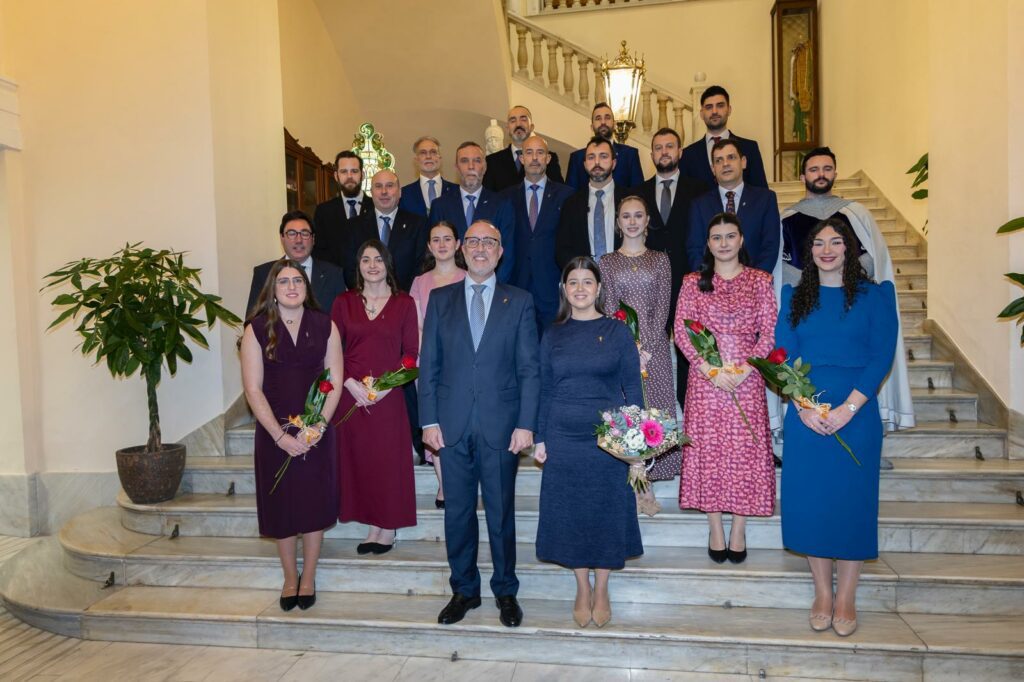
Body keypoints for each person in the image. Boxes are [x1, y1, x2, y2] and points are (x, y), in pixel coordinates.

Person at [775, 217, 899, 637]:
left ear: (849, 249)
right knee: (811, 502)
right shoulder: (794, 297)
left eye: (835, 242)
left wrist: (848, 409)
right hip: (806, 412)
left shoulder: (876, 296)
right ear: (809, 253)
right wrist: (803, 406)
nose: (826, 250)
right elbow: (783, 354)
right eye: (818, 244)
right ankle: (822, 594)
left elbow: (881, 356)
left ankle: (846, 595)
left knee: (851, 504)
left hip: (856, 411)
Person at [419, 220, 540, 628]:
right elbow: (429, 365)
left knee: (501, 513)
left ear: (500, 252)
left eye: (490, 242)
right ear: (462, 249)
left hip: (501, 426)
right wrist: (428, 421)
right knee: (457, 513)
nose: (481, 248)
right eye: (473, 241)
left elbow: (529, 368)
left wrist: (525, 424)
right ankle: (464, 590)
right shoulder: (440, 300)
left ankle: (505, 590)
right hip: (450, 425)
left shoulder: (519, 301)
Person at [534, 256, 644, 628]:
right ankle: (582, 585)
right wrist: (540, 437)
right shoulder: (553, 334)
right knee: (570, 512)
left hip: (608, 440)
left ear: (598, 289)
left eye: (587, 282)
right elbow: (545, 389)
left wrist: (635, 443)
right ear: (564, 289)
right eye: (573, 282)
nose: (580, 289)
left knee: (606, 510)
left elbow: (634, 390)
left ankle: (603, 587)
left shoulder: (617, 332)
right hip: (563, 437)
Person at [780, 146, 914, 433]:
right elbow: (783, 266)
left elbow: (872, 258)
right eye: (814, 169)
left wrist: (840, 276)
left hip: (850, 301)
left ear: (835, 173)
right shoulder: (788, 218)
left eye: (827, 168)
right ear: (803, 176)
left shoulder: (855, 214)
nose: (820, 174)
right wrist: (814, 281)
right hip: (808, 304)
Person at [240, 259, 343, 611]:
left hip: (316, 430)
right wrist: (279, 436)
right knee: (281, 506)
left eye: (297, 280)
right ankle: (289, 577)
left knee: (314, 504)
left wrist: (319, 426)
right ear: (273, 289)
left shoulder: (325, 324)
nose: (291, 287)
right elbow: (253, 389)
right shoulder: (256, 329)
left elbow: (335, 380)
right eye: (283, 282)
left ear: (306, 286)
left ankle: (309, 576)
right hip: (275, 432)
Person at [674, 213, 777, 565]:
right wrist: (709, 369)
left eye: (730, 236)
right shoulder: (693, 282)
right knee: (709, 451)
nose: (723, 243)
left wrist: (746, 369)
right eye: (716, 237)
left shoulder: (760, 280)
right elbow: (681, 331)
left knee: (744, 452)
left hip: (748, 378)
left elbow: (769, 332)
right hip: (706, 380)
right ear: (708, 243)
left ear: (741, 239)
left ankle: (739, 529)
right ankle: (715, 527)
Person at [331, 240, 418, 555]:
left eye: (378, 259)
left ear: (388, 264)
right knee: (361, 462)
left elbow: (411, 355)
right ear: (358, 266)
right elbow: (332, 350)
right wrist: (348, 383)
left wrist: (385, 387)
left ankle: (387, 525)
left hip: (387, 397)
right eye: (365, 260)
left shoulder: (404, 303)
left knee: (386, 462)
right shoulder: (343, 302)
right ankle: (372, 526)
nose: (372, 265)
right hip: (351, 396)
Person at [599, 195, 675, 516]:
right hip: (620, 349)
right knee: (626, 413)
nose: (632, 221)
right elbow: (608, 308)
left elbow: (663, 307)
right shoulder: (606, 262)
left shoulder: (660, 260)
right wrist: (629, 349)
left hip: (655, 351)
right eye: (626, 216)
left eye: (638, 215)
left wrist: (647, 348)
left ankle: (648, 483)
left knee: (652, 414)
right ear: (618, 222)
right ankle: (631, 480)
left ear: (647, 221)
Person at [636, 128, 705, 410]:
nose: (664, 152)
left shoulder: (699, 190)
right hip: (648, 286)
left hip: (688, 281)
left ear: (680, 152)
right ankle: (655, 409)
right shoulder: (638, 191)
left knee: (690, 347)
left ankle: (689, 408)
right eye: (658, 147)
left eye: (669, 146)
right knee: (650, 347)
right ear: (652, 154)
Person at [409, 221, 468, 508]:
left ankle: (462, 480)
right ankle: (445, 486)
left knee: (461, 423)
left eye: (447, 239)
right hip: (429, 362)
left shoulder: (469, 277)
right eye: (436, 239)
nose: (442, 244)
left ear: (458, 244)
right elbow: (415, 324)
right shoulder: (420, 282)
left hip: (464, 363)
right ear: (429, 246)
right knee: (435, 424)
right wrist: (432, 354)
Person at [502, 135, 574, 333]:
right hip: (517, 286)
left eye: (540, 153)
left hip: (553, 288)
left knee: (553, 346)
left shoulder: (567, 196)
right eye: (529, 152)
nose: (534, 158)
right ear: (521, 158)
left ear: (548, 159)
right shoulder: (506, 197)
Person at [687, 138, 781, 276]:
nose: (725, 164)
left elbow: (770, 247)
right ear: (713, 169)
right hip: (711, 285)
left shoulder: (765, 199)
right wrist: (711, 282)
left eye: (731, 157)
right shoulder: (699, 205)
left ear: (743, 162)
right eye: (718, 160)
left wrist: (753, 282)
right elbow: (695, 250)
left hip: (754, 284)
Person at [428, 141, 516, 282]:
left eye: (477, 161)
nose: (471, 166)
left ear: (484, 167)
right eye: (464, 161)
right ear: (457, 168)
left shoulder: (502, 204)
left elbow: (508, 253)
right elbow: (435, 253)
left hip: (491, 285)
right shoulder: (440, 206)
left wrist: (495, 286)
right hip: (450, 288)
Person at [246, 210, 346, 316]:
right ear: (282, 238)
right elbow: (253, 319)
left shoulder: (333, 274)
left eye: (304, 233)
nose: (299, 240)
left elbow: (341, 319)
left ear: (313, 239)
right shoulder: (263, 273)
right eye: (292, 234)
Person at [343, 169, 427, 291]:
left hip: (406, 296)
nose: (384, 191)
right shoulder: (353, 226)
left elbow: (421, 267)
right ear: (371, 192)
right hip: (365, 298)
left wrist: (401, 297)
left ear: (400, 192)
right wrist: (367, 295)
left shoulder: (417, 225)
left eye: (389, 186)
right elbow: (350, 270)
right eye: (378, 186)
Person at [556, 137, 628, 271]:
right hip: (584, 279)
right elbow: (563, 249)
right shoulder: (571, 204)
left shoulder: (630, 200)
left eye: (603, 156)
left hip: (625, 278)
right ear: (584, 164)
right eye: (591, 157)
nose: (597, 162)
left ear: (614, 163)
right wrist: (582, 273)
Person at [680, 85, 768, 191]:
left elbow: (762, 193)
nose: (714, 111)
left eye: (720, 106)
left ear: (729, 110)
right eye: (709, 107)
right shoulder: (687, 155)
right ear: (702, 114)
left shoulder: (750, 148)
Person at [564, 102, 644, 190]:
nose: (603, 122)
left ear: (614, 124)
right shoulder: (577, 158)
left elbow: (638, 192)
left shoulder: (630, 155)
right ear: (592, 127)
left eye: (607, 117)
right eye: (598, 118)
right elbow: (570, 195)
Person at [313, 150, 373, 266]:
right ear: (336, 176)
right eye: (344, 171)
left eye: (354, 171)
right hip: (335, 275)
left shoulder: (375, 207)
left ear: (362, 175)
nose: (349, 176)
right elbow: (319, 252)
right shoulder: (323, 211)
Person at [483, 105, 564, 191]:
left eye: (523, 119)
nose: (518, 124)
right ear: (507, 128)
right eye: (513, 121)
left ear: (531, 127)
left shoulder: (548, 158)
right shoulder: (492, 161)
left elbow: (559, 191)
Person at [399, 136, 458, 218]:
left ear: (440, 158)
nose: (428, 156)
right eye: (423, 153)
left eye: (433, 152)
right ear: (416, 160)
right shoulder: (404, 194)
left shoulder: (457, 191)